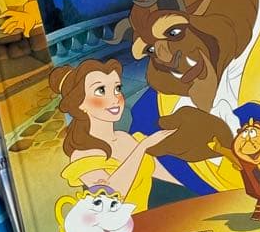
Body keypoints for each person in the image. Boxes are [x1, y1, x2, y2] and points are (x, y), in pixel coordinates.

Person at [49, 58, 179, 210]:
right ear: (80, 103)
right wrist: (142, 147)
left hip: (148, 218)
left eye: (117, 89)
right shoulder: (82, 155)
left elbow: (171, 174)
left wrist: (201, 181)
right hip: (121, 224)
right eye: (101, 91)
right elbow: (112, 197)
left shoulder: (126, 138)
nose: (115, 99)